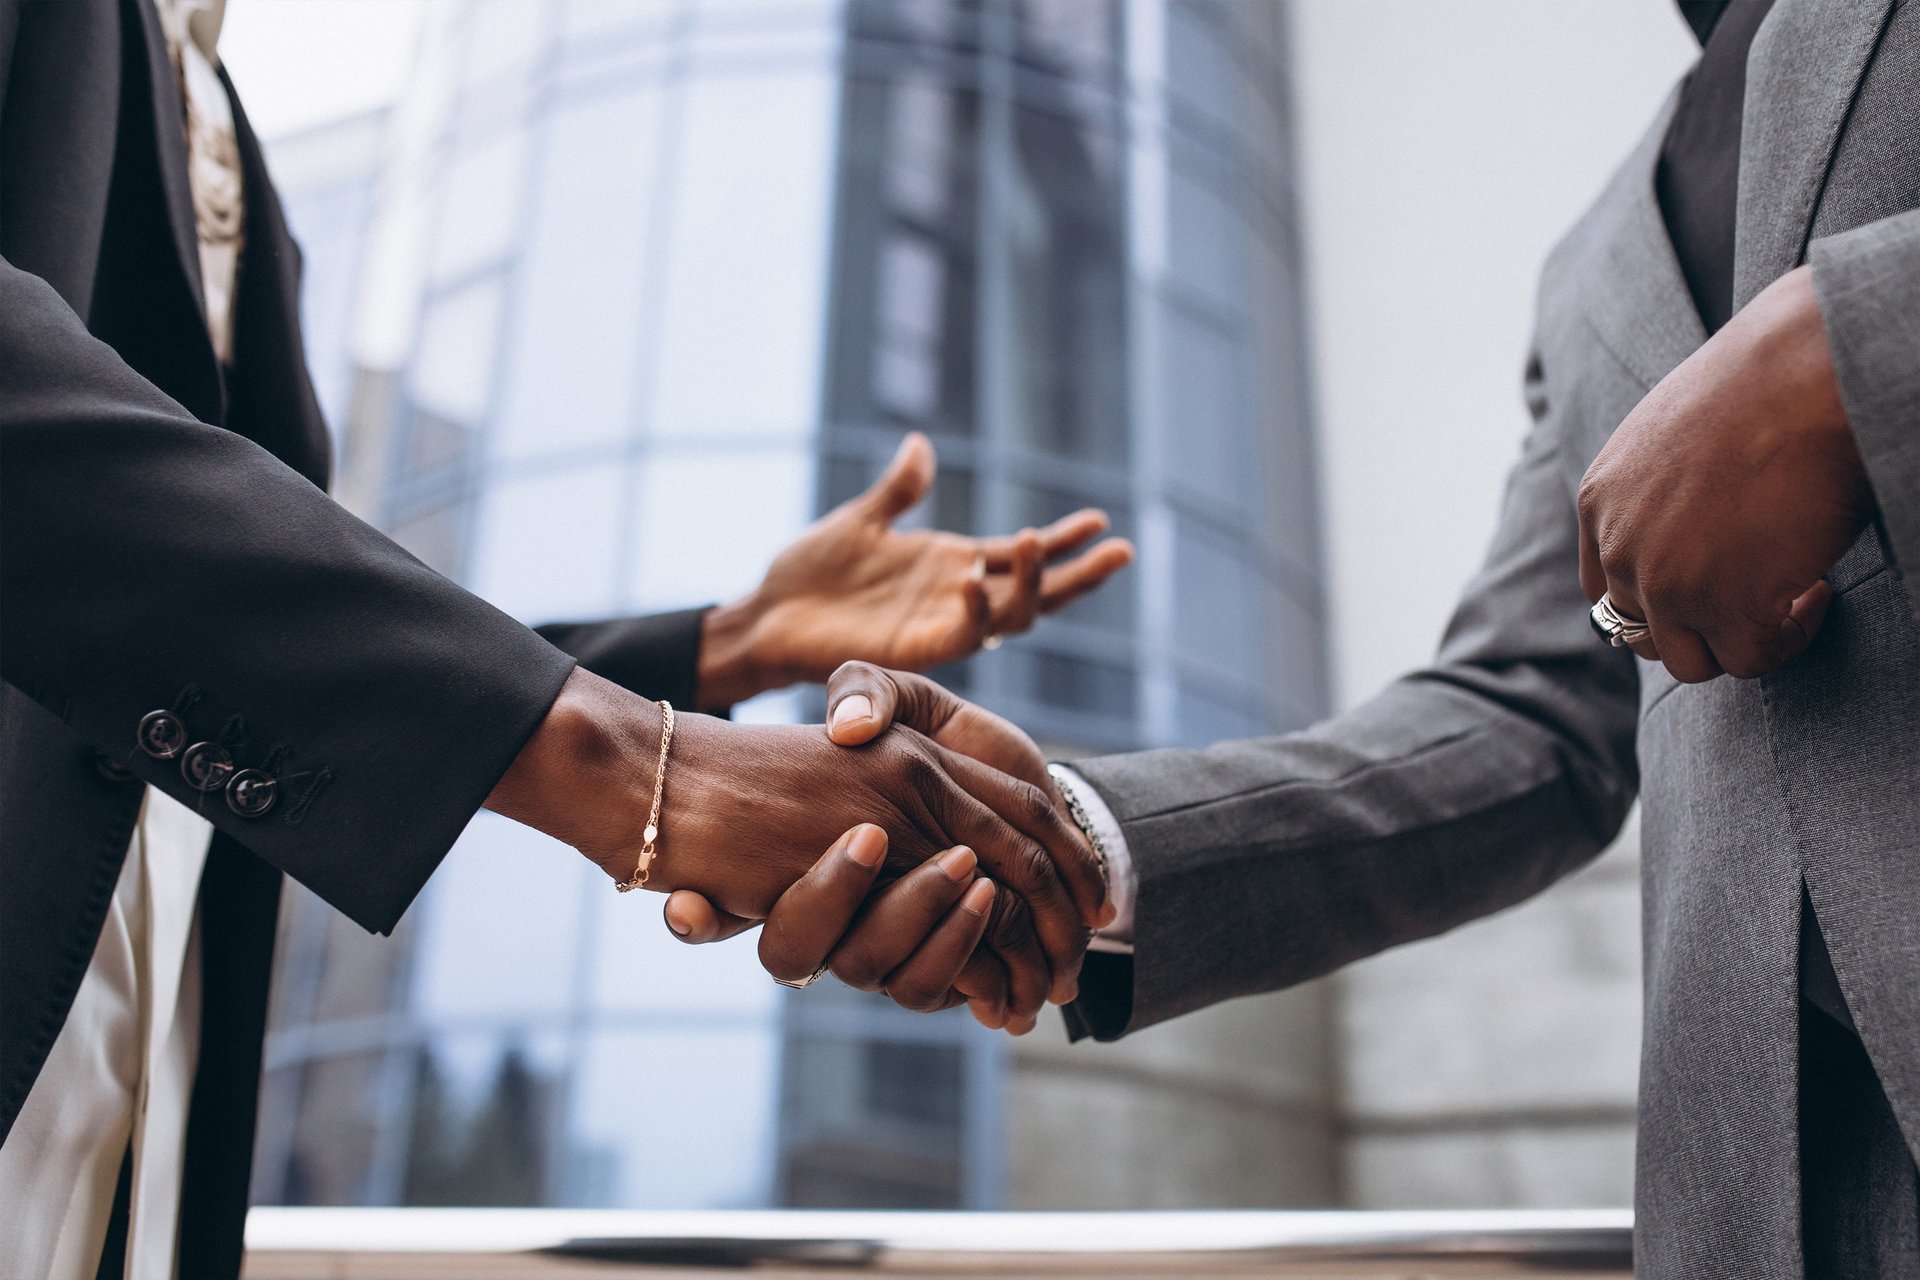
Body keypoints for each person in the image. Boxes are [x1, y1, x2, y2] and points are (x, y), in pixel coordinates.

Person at [673, 2, 1920, 1275]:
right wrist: (1054, 833)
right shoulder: (1592, 268)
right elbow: (1531, 716)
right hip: (1762, 1205)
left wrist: (1853, 348)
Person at [0, 2, 1129, 1277]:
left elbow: (245, 627)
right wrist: (640, 769)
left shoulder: (237, 155)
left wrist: (728, 643)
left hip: (124, 1172)